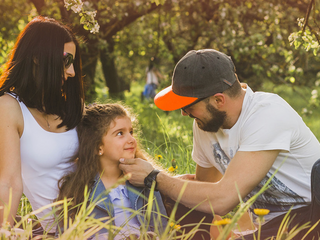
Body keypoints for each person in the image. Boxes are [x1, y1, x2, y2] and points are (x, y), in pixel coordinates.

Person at [119, 49, 320, 239]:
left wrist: (155, 178)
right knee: (181, 203)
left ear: (218, 100)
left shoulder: (267, 114)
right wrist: (167, 185)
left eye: (188, 106)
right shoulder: (206, 123)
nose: (183, 113)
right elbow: (203, 189)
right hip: (270, 222)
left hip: (310, 214)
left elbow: (222, 200)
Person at [0, 16, 84, 235]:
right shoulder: (9, 107)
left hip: (109, 208)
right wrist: (4, 232)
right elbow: (9, 182)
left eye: (73, 62)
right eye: (66, 60)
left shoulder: (70, 106)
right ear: (37, 57)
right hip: (69, 231)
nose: (72, 71)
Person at [56, 103, 168, 239]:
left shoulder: (145, 182)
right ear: (98, 147)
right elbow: (63, 236)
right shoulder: (78, 190)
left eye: (131, 132)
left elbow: (162, 230)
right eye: (120, 133)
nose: (132, 139)